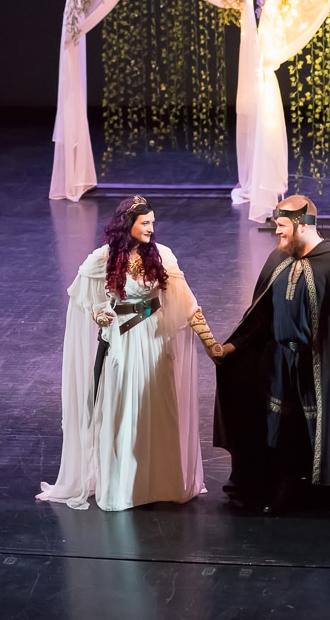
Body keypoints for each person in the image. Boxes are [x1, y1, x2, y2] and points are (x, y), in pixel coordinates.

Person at [212, 195, 330, 519]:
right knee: (281, 429)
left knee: (329, 427)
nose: (278, 234)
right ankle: (284, 486)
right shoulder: (279, 260)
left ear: (301, 225)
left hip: (323, 366)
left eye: (282, 227)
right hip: (282, 363)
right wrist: (233, 348)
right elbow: (260, 317)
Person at [38, 195, 224, 511]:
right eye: (145, 222)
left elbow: (186, 303)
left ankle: (162, 484)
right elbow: (83, 296)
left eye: (153, 222)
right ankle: (125, 488)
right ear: (128, 224)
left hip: (155, 344)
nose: (152, 228)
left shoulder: (163, 256)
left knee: (157, 408)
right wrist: (98, 312)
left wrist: (210, 342)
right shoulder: (102, 258)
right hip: (122, 344)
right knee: (123, 411)